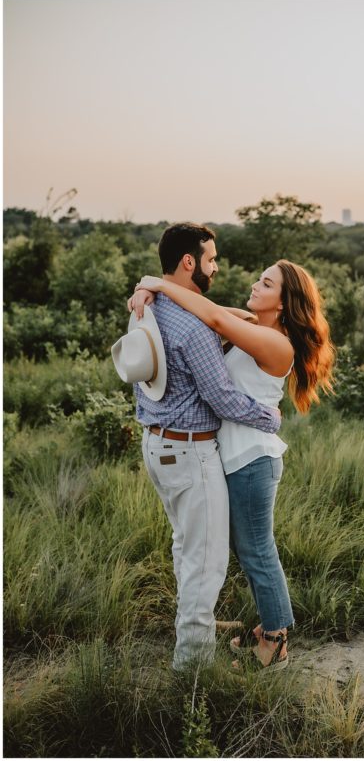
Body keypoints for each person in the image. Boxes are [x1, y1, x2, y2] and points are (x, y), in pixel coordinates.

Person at [130, 257, 335, 671]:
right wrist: (146, 290)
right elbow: (206, 311)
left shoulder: (277, 344)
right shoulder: (255, 326)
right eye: (259, 279)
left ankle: (276, 641)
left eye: (267, 284)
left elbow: (215, 321)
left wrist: (159, 282)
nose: (255, 286)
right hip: (237, 456)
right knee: (243, 548)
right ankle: (257, 627)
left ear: (283, 302)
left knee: (257, 550)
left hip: (252, 459)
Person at [129, 222, 282, 673]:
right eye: (211, 259)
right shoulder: (193, 327)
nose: (216, 267)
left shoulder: (147, 308)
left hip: (156, 447)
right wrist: (269, 417)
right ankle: (191, 673)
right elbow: (223, 397)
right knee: (207, 563)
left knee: (186, 546)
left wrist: (149, 284)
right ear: (190, 262)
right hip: (190, 454)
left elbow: (211, 313)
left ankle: (193, 621)